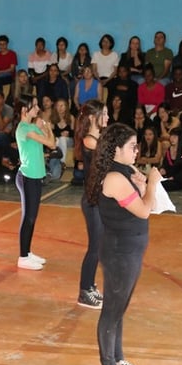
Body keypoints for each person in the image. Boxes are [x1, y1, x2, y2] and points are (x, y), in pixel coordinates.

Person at [87, 122, 162, 365]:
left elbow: (140, 203)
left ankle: (118, 359)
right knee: (112, 310)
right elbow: (143, 210)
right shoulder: (115, 177)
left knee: (120, 308)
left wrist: (142, 185)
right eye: (132, 146)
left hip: (130, 248)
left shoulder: (126, 171)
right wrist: (151, 184)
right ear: (117, 149)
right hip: (119, 251)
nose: (137, 150)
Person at [14, 94, 57, 270]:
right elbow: (49, 143)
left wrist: (45, 127)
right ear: (25, 109)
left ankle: (28, 252)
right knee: (28, 217)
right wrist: (45, 127)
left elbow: (52, 143)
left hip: (35, 177)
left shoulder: (32, 126)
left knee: (32, 217)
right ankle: (23, 257)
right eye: (34, 106)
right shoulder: (24, 129)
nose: (38, 109)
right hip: (27, 177)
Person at [73, 99, 107, 309]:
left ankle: (90, 285)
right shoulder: (90, 141)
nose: (108, 117)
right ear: (94, 118)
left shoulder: (98, 138)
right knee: (94, 247)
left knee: (99, 246)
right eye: (105, 113)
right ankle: (84, 292)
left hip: (99, 200)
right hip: (92, 201)